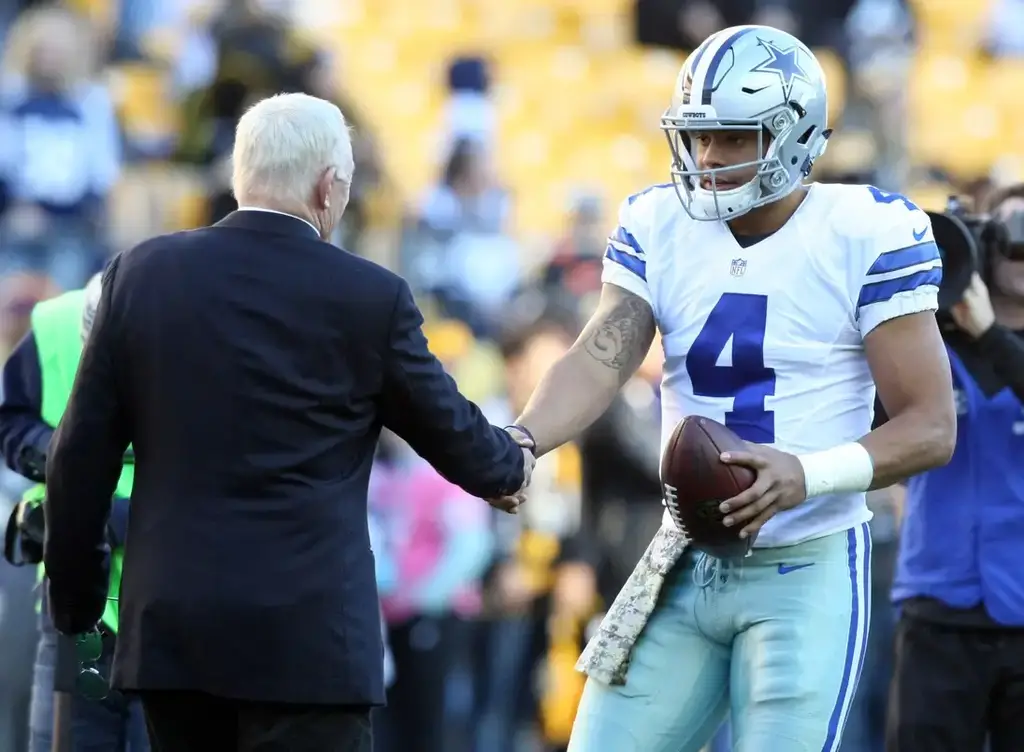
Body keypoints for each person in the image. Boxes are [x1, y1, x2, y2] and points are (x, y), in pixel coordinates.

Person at [504, 25, 957, 752]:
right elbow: (602, 356)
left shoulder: (865, 232)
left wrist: (805, 474)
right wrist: (525, 439)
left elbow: (932, 425)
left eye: (733, 138)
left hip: (804, 566)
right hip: (682, 557)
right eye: (699, 137)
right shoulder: (657, 221)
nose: (708, 158)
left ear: (795, 134)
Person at [40, 92, 534, 752]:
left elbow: (76, 460)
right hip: (309, 645)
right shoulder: (370, 297)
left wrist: (75, 605)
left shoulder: (139, 276)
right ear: (328, 186)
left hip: (174, 640)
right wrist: (514, 461)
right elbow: (463, 444)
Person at [886, 184, 1024, 752]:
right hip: (941, 604)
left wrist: (992, 337)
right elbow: (873, 421)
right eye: (1011, 239)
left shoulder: (985, 344)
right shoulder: (932, 346)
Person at [0, 273, 148, 751]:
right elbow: (12, 424)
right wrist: (67, 456)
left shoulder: (196, 328)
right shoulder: (55, 323)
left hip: (171, 609)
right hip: (76, 603)